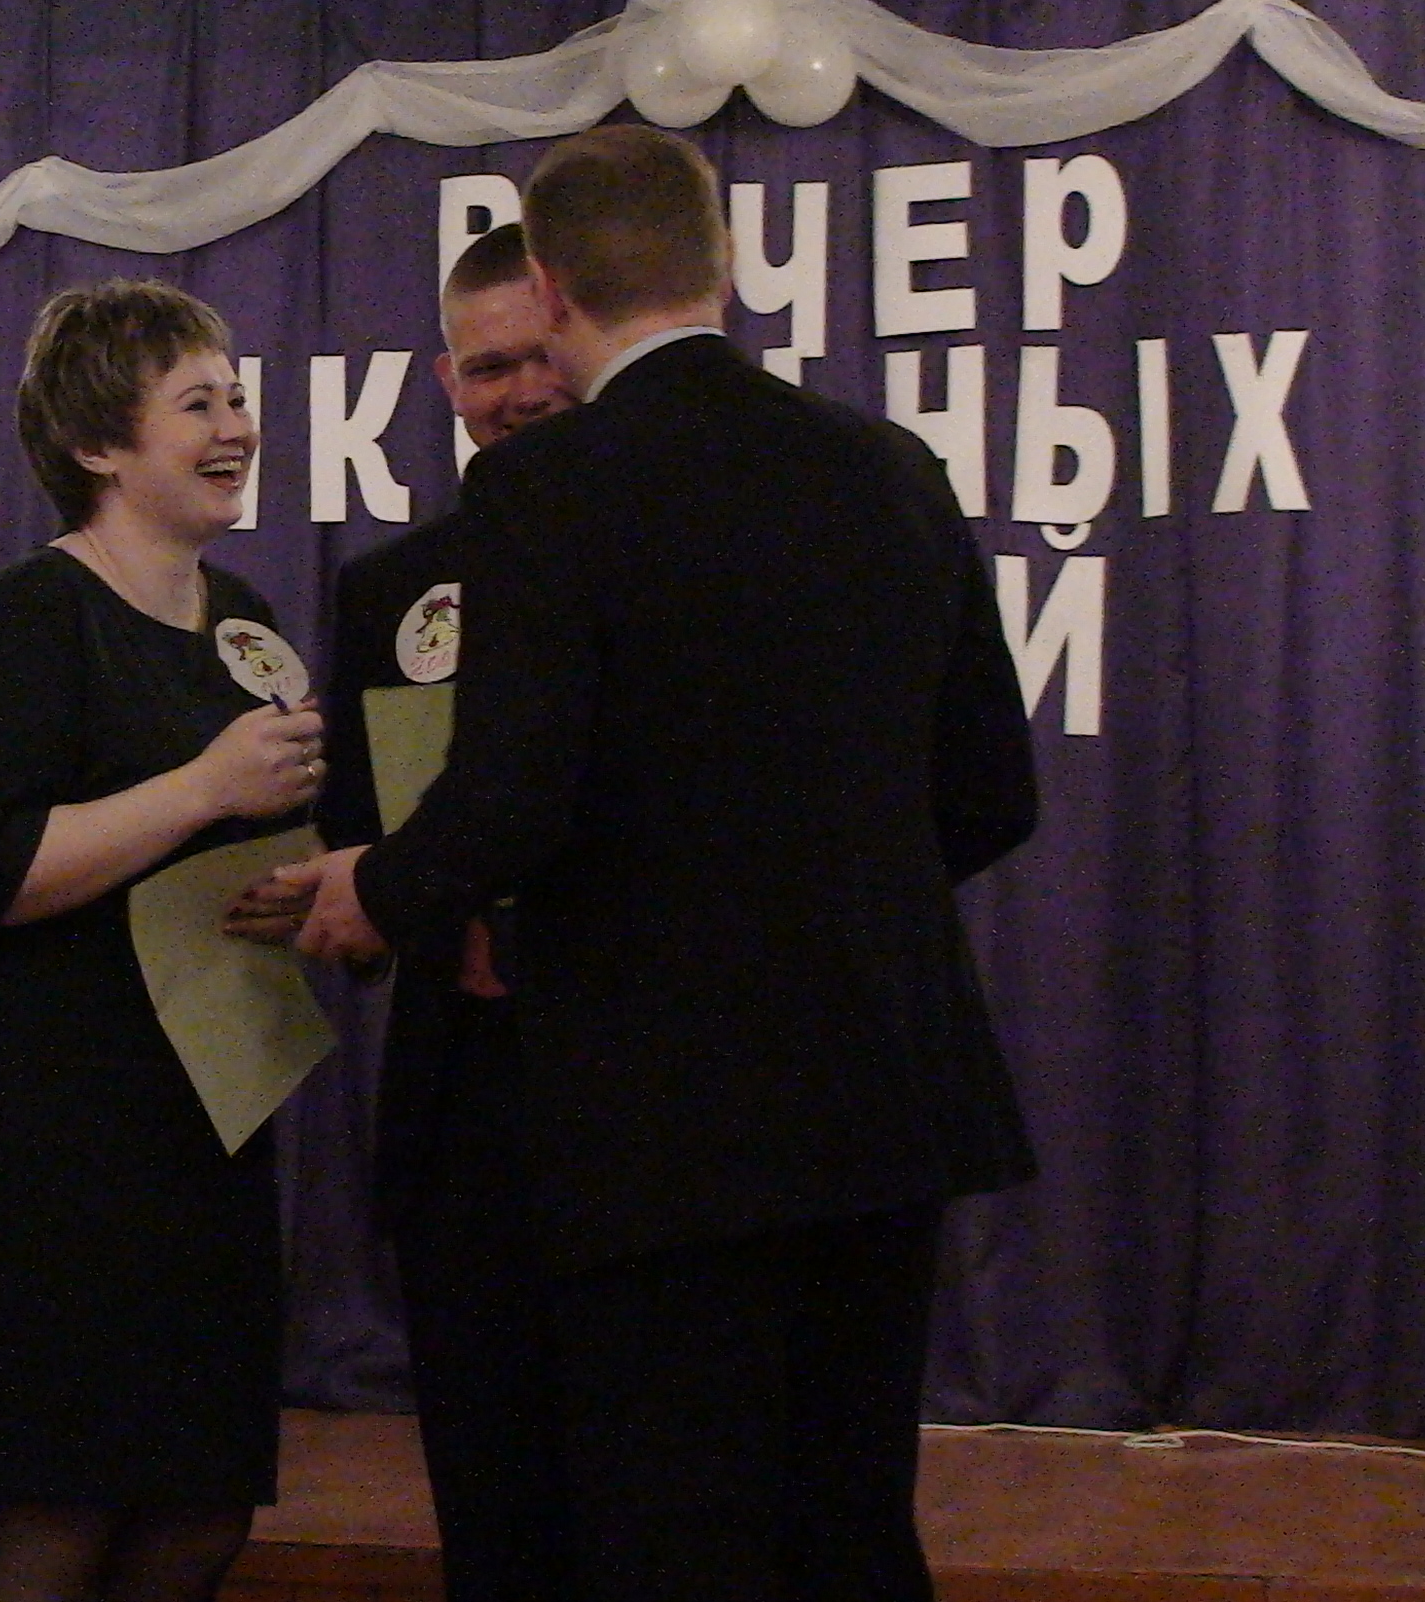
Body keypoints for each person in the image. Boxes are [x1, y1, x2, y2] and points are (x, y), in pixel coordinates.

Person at [289, 126, 1040, 1600]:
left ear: (550, 288)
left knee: (671, 1532)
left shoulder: (548, 490)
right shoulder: (891, 467)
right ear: (727, 265)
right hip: (879, 1094)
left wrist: (373, 887)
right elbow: (991, 793)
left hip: (658, 1119)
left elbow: (513, 798)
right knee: (846, 1529)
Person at [0, 279, 325, 1602]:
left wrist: (304, 895)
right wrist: (204, 787)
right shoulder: (27, 617)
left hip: (201, 1120)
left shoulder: (244, 620)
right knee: (55, 1519)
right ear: (95, 444)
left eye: (236, 396)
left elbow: (239, 847)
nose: (235, 426)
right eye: (197, 403)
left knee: (200, 1510)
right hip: (49, 1135)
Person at [236, 222, 577, 1602]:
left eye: (542, 358)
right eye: (489, 369)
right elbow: (365, 833)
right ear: (446, 381)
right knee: (490, 1499)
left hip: (654, 1092)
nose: (523, 393)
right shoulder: (389, 592)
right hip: (465, 1096)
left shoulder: (681, 558)